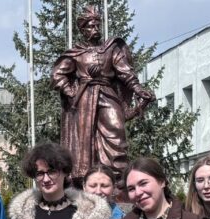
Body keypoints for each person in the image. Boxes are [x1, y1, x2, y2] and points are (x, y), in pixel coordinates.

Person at [52, 6, 154, 181]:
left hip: (107, 93)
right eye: (91, 26)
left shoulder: (110, 49)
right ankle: (86, 178)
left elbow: (125, 72)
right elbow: (57, 74)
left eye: (97, 25)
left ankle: (117, 178)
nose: (95, 29)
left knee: (116, 130)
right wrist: (70, 91)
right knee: (85, 140)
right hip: (84, 98)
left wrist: (138, 89)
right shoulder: (77, 53)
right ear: (83, 30)